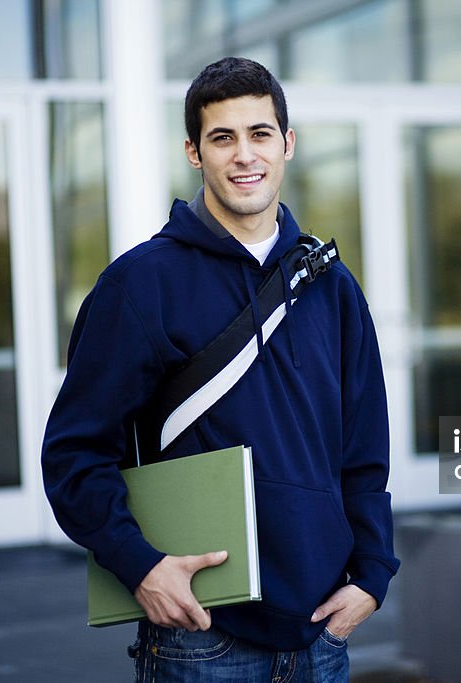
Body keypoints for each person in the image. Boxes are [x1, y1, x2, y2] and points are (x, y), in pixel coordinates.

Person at [41, 57, 400, 682]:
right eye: (222, 137)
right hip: (202, 638)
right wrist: (140, 566)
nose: (244, 155)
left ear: (287, 144)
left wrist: (373, 574)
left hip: (321, 634)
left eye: (260, 134)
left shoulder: (331, 286)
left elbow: (363, 450)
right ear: (193, 151)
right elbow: (74, 455)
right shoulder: (141, 284)